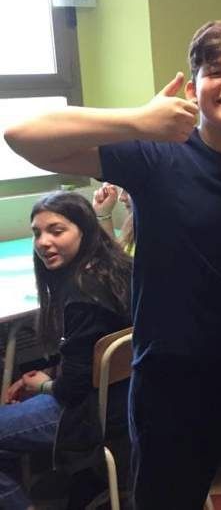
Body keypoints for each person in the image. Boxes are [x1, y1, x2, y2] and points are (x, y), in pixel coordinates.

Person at [4, 19, 221, 508]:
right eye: (216, 71)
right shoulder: (157, 156)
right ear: (192, 90)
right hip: (172, 387)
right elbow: (22, 135)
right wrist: (137, 120)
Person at [0, 192, 131, 510]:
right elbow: (91, 355)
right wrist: (49, 373)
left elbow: (71, 390)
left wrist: (42, 385)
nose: (43, 242)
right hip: (129, 397)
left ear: (84, 230)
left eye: (56, 231)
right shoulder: (117, 268)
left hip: (92, 413)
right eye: (37, 233)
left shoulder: (81, 296)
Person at [92, 183, 135, 254]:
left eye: (130, 189)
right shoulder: (132, 224)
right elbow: (120, 256)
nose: (121, 197)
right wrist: (103, 214)